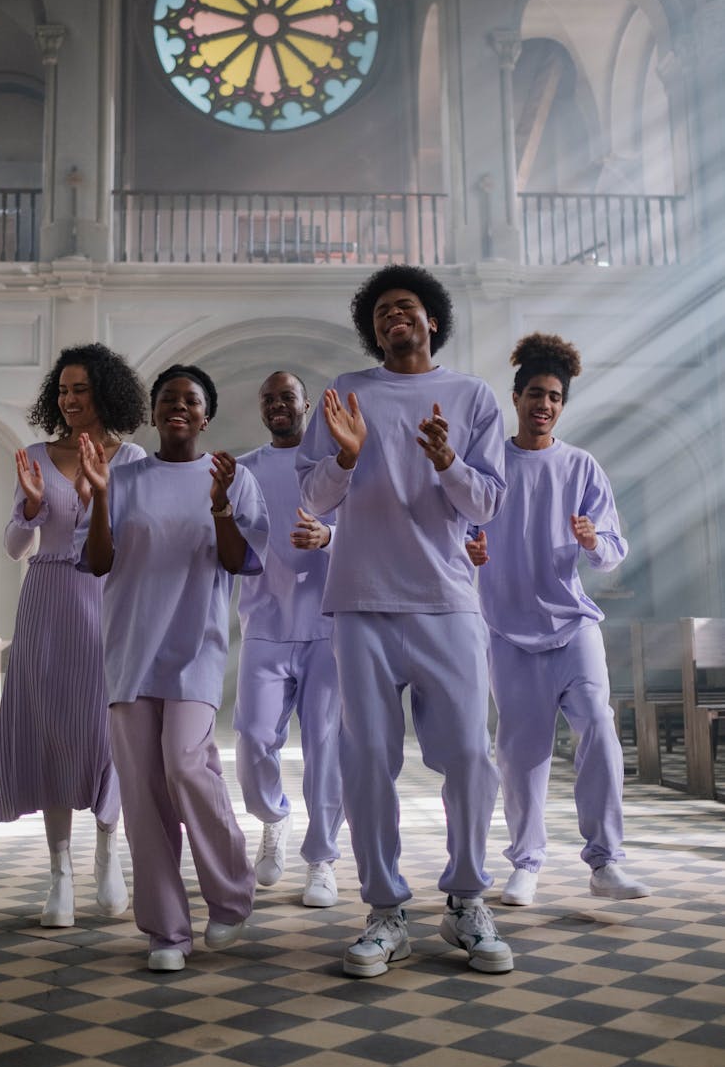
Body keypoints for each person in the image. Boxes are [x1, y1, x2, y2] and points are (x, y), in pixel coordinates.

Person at [297, 264, 513, 977]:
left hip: (446, 601)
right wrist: (347, 457)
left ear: (431, 320)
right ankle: (384, 911)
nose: (396, 316)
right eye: (384, 309)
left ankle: (465, 901)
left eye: (408, 306)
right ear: (373, 325)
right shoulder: (344, 395)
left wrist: (448, 460)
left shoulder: (471, 396)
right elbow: (313, 498)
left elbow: (484, 505)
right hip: (359, 601)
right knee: (367, 762)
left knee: (470, 758)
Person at [76, 364, 269, 972]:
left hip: (195, 647)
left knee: (187, 764)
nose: (177, 406)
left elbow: (240, 561)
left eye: (190, 399)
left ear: (206, 415)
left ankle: (232, 895)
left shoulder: (233, 477)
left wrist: (219, 508)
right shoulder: (124, 476)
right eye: (167, 399)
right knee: (141, 792)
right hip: (129, 649)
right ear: (154, 412)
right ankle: (166, 930)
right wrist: (103, 494)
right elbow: (98, 560)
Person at [466, 333, 650, 905]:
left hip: (574, 627)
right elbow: (456, 530)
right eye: (534, 394)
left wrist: (594, 541)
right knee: (521, 753)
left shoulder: (581, 466)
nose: (543, 404)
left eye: (553, 397)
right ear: (515, 398)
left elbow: (615, 549)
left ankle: (606, 861)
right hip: (508, 633)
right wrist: (467, 550)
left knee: (597, 723)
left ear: (561, 406)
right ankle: (526, 863)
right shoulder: (489, 461)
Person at [0, 342, 149, 928]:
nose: (69, 398)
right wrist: (32, 509)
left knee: (108, 729)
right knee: (51, 728)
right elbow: (14, 547)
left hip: (107, 601)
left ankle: (109, 847)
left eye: (80, 389)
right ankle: (59, 870)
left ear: (104, 392)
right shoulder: (36, 455)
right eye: (62, 390)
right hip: (47, 598)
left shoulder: (131, 456)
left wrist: (98, 500)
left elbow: (135, 537)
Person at [235, 371, 343, 908]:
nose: (278, 405)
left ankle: (322, 860)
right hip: (265, 623)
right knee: (253, 738)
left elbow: (368, 529)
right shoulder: (244, 470)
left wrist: (330, 537)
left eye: (288, 398)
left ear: (307, 406)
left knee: (326, 747)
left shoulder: (335, 468)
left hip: (327, 624)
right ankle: (273, 817)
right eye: (268, 397)